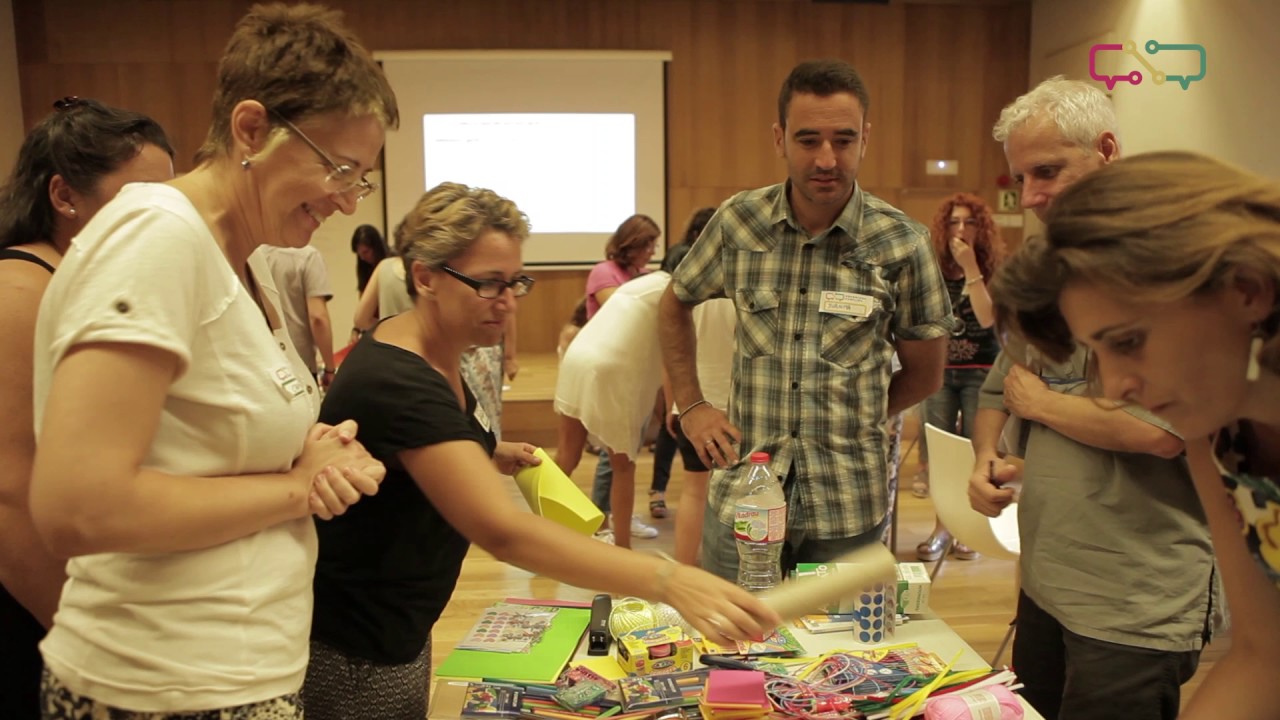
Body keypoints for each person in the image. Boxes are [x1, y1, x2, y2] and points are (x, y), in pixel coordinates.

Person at [27, 4, 393, 716]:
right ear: (251, 128)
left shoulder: (235, 258)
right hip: (163, 687)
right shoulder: (158, 238)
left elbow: (198, 445)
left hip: (224, 675)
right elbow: (78, 505)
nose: (348, 201)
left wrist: (311, 447)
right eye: (338, 168)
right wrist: (300, 489)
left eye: (363, 178)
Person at [305, 182, 780, 719]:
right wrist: (667, 579)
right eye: (488, 285)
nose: (507, 303)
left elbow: (418, 446)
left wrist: (485, 450)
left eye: (515, 283)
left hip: (396, 627)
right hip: (357, 647)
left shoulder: (426, 344)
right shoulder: (398, 380)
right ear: (424, 277)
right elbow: (501, 531)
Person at [987, 150, 1280, 720]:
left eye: (1129, 341)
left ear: (1246, 290)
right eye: (1098, 351)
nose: (1116, 387)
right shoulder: (1218, 432)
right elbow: (1263, 655)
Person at [966, 78, 1215, 720]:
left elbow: (1162, 429)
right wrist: (986, 455)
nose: (1032, 197)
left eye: (1048, 172)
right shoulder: (1051, 260)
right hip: (1049, 581)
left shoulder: (1173, 260)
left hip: (1133, 602)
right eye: (1021, 179)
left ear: (1106, 150)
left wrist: (1045, 406)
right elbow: (1005, 381)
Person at [658, 59, 951, 580]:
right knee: (737, 649)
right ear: (780, 138)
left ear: (865, 139)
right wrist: (693, 405)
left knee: (840, 654)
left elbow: (927, 373)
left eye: (843, 140)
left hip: (846, 501)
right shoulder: (738, 223)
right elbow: (675, 301)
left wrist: (854, 411)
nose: (826, 158)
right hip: (743, 498)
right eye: (808, 139)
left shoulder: (902, 242)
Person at [0, 96, 174, 720]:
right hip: (35, 614)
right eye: (139, 200)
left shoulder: (78, 281)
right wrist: (91, 646)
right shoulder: (21, 291)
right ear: (64, 196)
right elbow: (11, 496)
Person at [560, 214, 662, 541]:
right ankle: (613, 538)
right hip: (604, 368)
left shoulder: (646, 278)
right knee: (608, 460)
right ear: (629, 242)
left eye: (654, 245)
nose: (651, 251)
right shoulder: (605, 273)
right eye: (646, 243)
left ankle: (611, 522)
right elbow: (621, 313)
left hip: (617, 370)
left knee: (614, 460)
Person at [914, 193, 1003, 563]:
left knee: (974, 454)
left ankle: (969, 531)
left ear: (980, 227)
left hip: (982, 373)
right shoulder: (933, 266)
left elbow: (987, 320)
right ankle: (941, 528)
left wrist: (971, 269)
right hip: (940, 372)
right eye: (954, 222)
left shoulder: (994, 268)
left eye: (969, 221)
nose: (961, 229)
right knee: (942, 453)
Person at [649, 207, 718, 521]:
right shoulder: (732, 293)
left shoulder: (688, 295)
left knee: (695, 489)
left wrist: (673, 401)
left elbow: (669, 351)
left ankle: (689, 565)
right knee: (716, 491)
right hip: (712, 401)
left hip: (692, 402)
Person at [259, 244, 336, 386]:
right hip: (299, 364)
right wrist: (330, 369)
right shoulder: (308, 257)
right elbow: (318, 318)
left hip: (263, 363)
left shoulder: (255, 255)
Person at [351, 222, 388, 294]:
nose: (362, 258)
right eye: (359, 254)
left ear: (376, 247)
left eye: (366, 252)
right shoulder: (364, 268)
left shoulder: (392, 264)